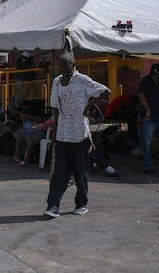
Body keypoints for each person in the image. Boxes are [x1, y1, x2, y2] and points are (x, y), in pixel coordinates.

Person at [44, 51, 109, 219]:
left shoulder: (83, 80)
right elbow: (55, 108)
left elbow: (105, 91)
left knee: (80, 172)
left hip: (80, 134)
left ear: (73, 65)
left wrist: (89, 104)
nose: (62, 68)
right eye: (60, 65)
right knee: (59, 172)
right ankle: (53, 206)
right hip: (62, 134)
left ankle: (81, 204)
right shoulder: (56, 82)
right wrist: (54, 131)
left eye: (66, 65)